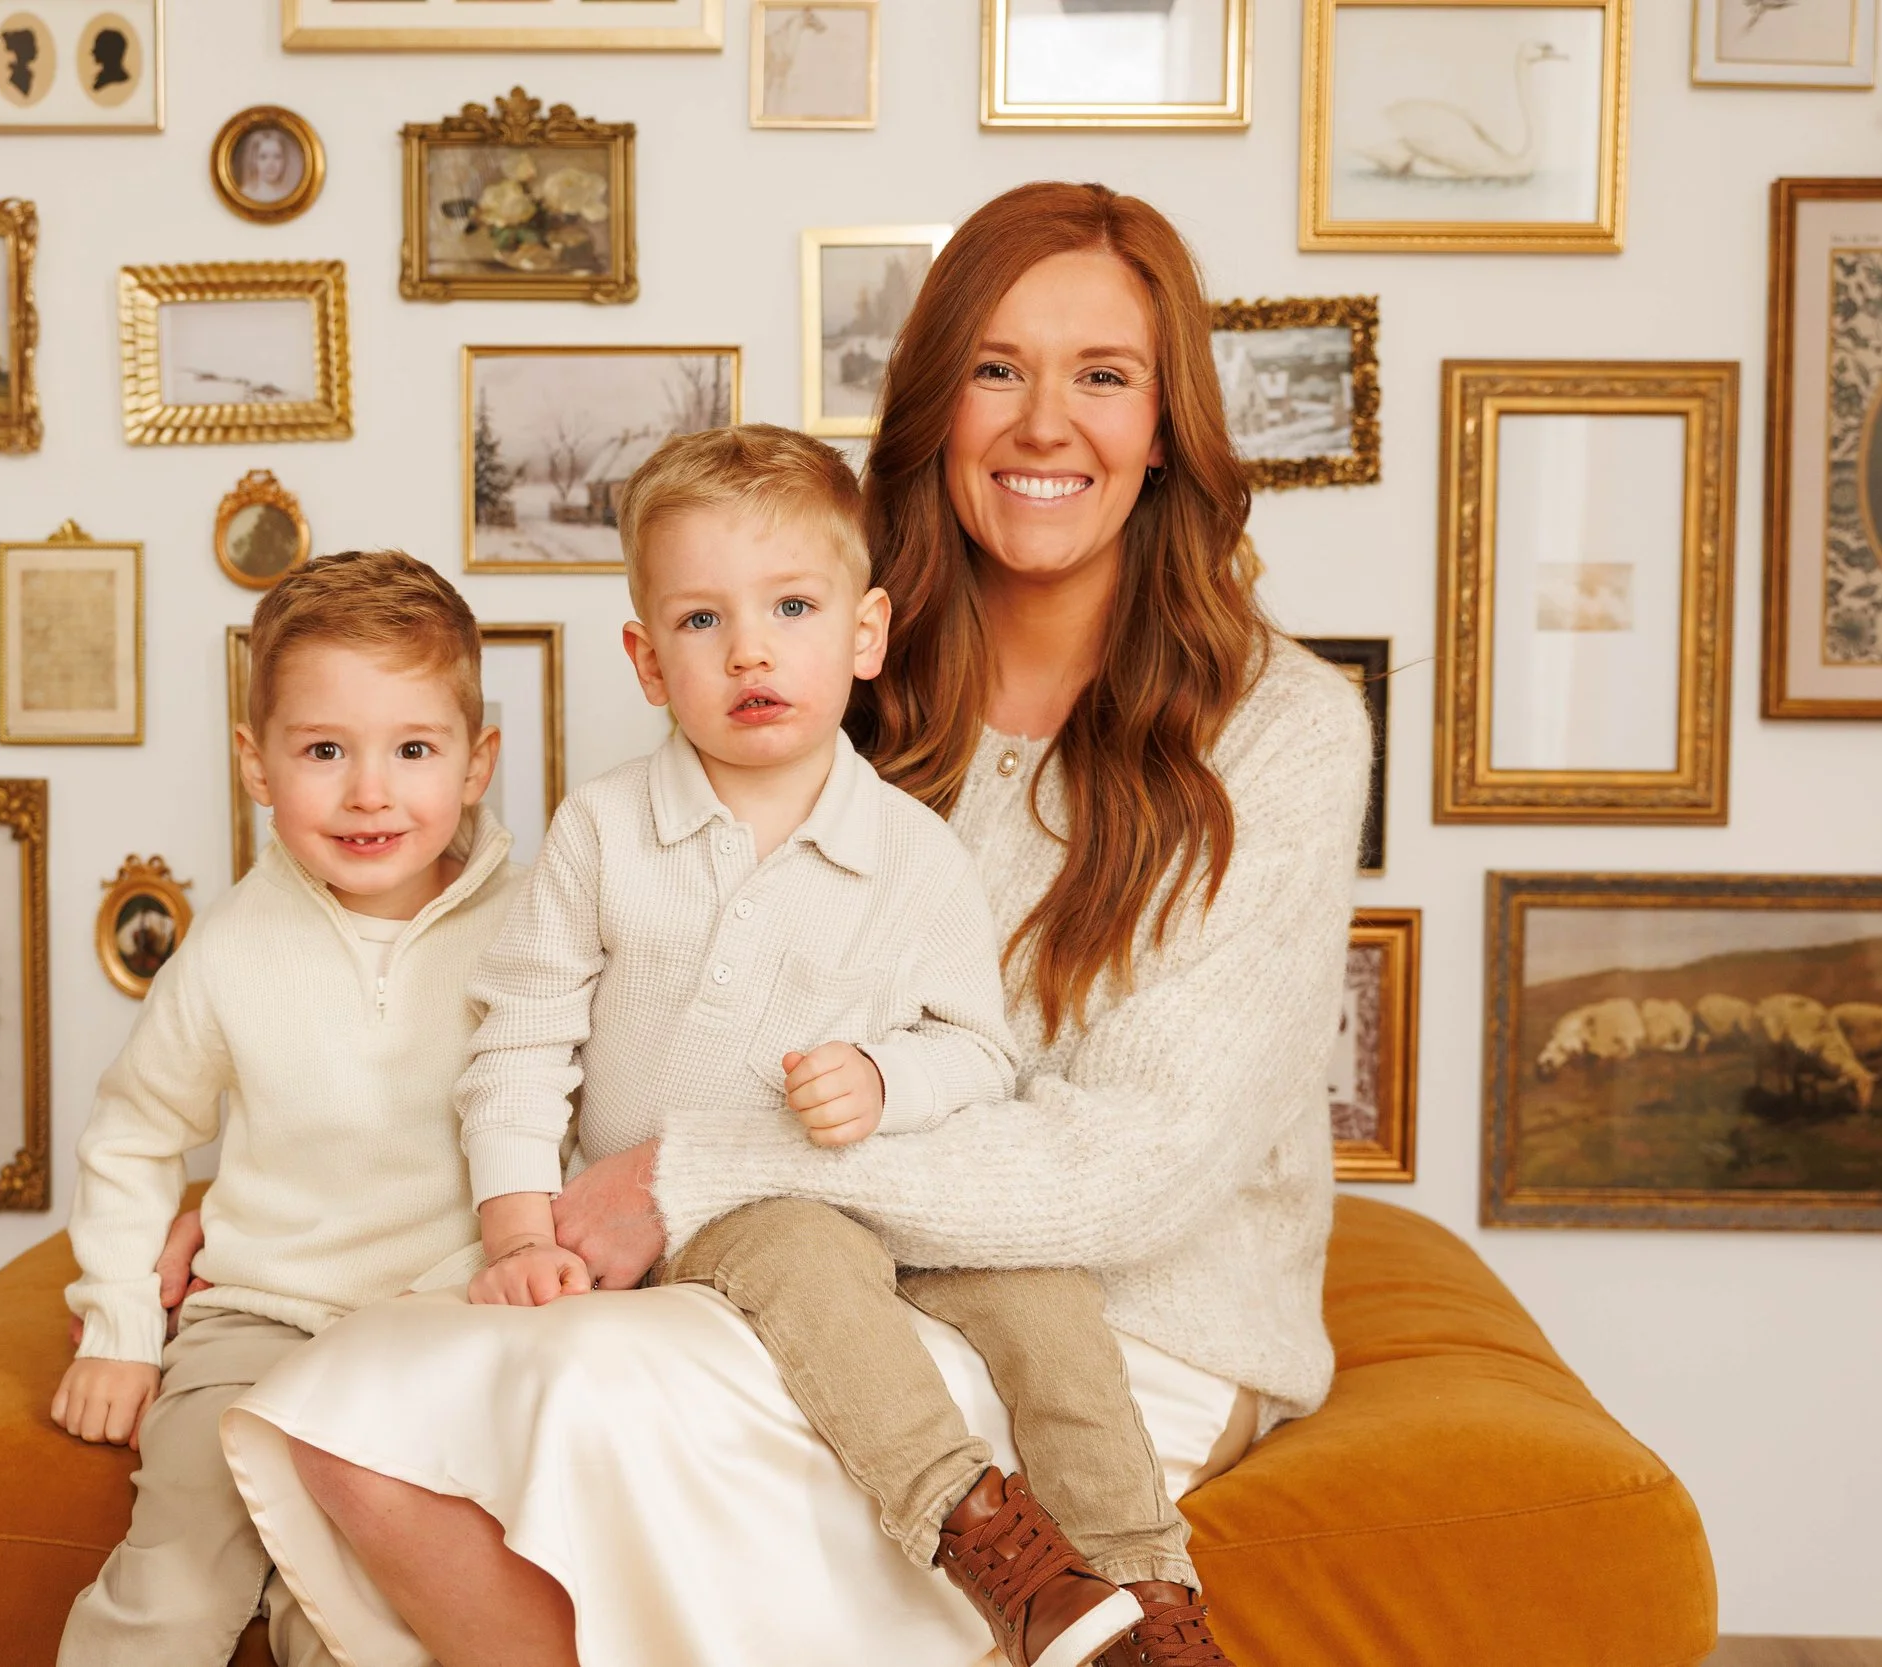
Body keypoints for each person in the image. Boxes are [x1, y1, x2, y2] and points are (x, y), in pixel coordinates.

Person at [217, 180, 1372, 1667]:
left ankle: (1126, 1611)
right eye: (995, 369)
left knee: (561, 1402)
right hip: (817, 1257)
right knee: (369, 1390)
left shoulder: (1280, 729)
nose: (1042, 423)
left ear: (1167, 427)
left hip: (1115, 1315)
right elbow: (562, 982)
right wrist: (294, 1167)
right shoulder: (822, 685)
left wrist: (689, 1174)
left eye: (1103, 375)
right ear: (932, 410)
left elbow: (1135, 1170)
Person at [453, 422, 1211, 1667]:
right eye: (701, 621)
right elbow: (520, 1042)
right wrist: (521, 1232)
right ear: (647, 660)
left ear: (863, 635)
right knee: (803, 1247)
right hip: (717, 1213)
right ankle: (985, 1541)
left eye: (791, 606)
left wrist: (881, 1077)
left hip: (893, 1194)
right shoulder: (601, 832)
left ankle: (1147, 1596)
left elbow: (974, 1053)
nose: (749, 648)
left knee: (1047, 1296)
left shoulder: (915, 852)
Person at [49, 551, 523, 1667]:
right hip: (254, 1318)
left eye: (413, 748)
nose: (369, 791)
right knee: (170, 1577)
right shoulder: (227, 952)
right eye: (324, 750)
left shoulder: (536, 928)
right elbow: (133, 1131)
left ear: (475, 763)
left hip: (437, 1326)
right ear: (256, 765)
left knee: (356, 1613)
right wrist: (119, 1323)